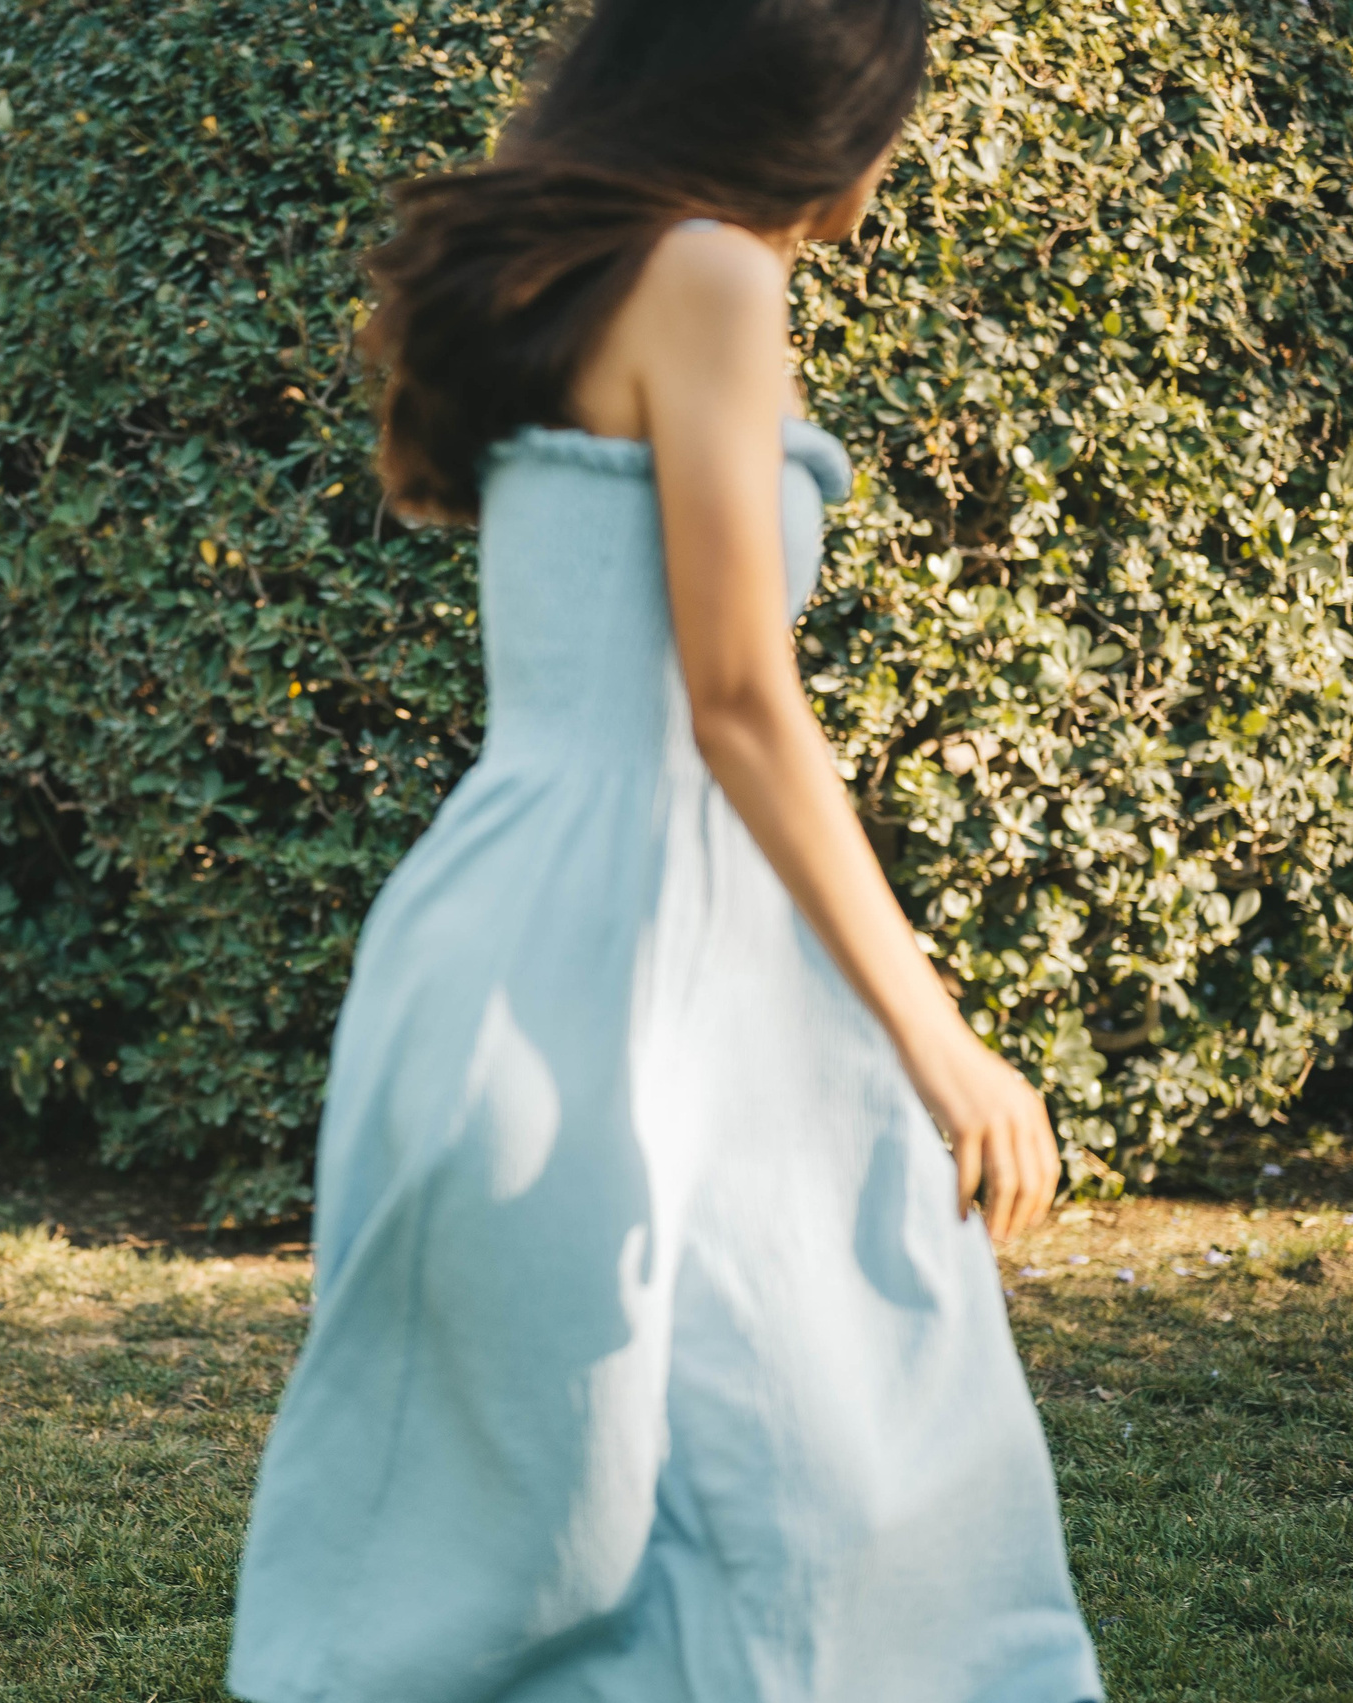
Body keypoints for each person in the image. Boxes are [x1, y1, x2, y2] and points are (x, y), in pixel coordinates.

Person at [227, 0, 1103, 1698]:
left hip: (514, 929)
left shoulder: (582, 276)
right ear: (819, 101)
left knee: (585, 1498)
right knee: (809, 1465)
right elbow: (739, 702)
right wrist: (947, 1043)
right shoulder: (712, 272)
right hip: (646, 947)